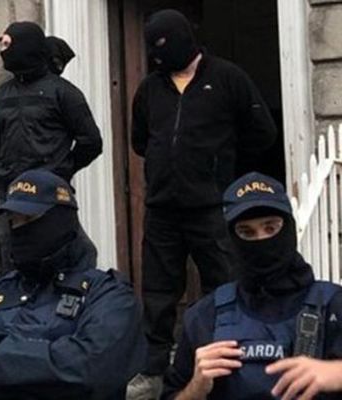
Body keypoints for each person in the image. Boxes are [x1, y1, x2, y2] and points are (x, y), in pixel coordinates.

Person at [129, 9, 277, 397]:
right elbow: (141, 140)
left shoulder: (227, 77)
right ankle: (154, 370)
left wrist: (222, 174)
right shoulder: (150, 88)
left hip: (213, 206)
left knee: (224, 285)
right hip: (162, 207)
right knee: (158, 291)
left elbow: (261, 133)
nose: (158, 56)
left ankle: (229, 362)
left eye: (164, 46)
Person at [0, 169, 146, 400]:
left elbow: (92, 371)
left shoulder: (108, 294)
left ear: (61, 220)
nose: (19, 230)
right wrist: (48, 363)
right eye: (13, 222)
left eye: (29, 220)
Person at [162, 172, 342, 400]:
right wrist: (196, 388)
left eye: (271, 228)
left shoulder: (333, 306)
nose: (261, 241)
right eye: (246, 232)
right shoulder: (205, 316)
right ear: (231, 239)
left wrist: (336, 373)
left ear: (288, 229)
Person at [0, 21, 103, 274]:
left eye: (7, 44)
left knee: (68, 259)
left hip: (50, 200)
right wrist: (0, 187)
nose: (3, 51)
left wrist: (58, 174)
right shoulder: (1, 96)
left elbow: (91, 141)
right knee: (11, 265)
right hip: (12, 200)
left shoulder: (63, 93)